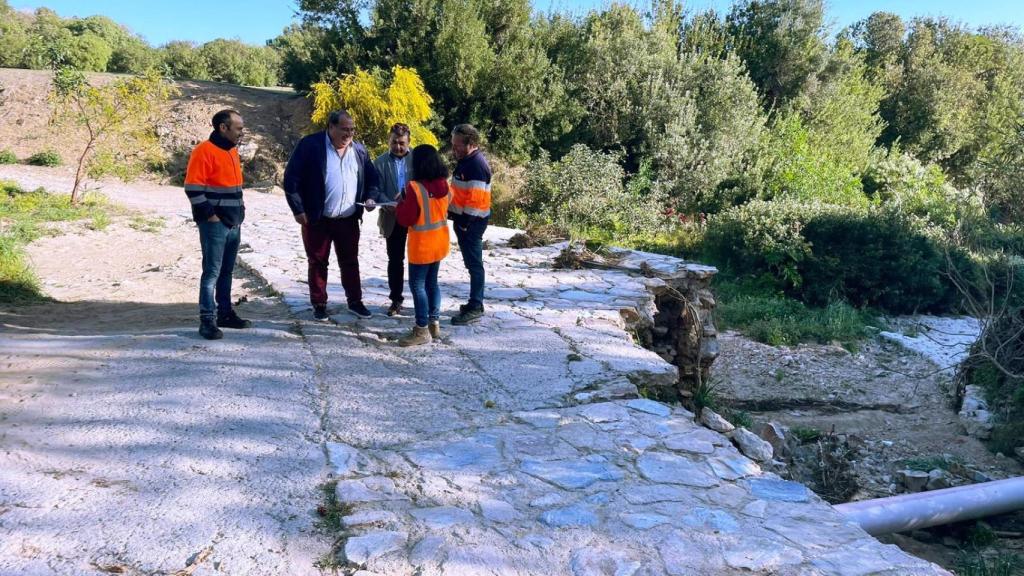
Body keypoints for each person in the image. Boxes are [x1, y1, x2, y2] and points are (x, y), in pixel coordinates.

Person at [283, 110, 382, 321]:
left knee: (350, 261)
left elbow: (372, 179)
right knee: (317, 262)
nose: (349, 134)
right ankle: (319, 304)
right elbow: (291, 178)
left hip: (348, 218)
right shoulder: (311, 146)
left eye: (352, 130)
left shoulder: (359, 151)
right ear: (331, 127)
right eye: (344, 129)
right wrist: (298, 209)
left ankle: (355, 301)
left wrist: (371, 198)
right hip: (317, 218)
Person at [184, 109, 251, 340]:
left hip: (234, 223)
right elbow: (192, 188)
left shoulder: (231, 151)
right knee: (211, 272)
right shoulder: (204, 151)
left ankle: (225, 313)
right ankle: (207, 321)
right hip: (215, 224)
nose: (241, 132)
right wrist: (211, 216)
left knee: (226, 271)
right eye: (238, 128)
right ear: (223, 128)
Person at [395, 144, 451, 346]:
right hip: (439, 242)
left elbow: (405, 218)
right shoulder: (444, 184)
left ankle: (421, 330)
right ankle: (433, 323)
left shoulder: (414, 188)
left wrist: (400, 203)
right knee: (432, 283)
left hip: (422, 245)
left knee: (417, 285)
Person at [448, 123, 492, 325]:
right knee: (471, 263)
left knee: (475, 265)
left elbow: (475, 200)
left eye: (457, 145)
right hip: (463, 221)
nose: (454, 149)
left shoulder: (476, 165)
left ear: (471, 143)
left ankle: (476, 305)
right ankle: (474, 302)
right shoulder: (466, 160)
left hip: (472, 224)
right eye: (453, 144)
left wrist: (464, 223)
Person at [373, 123, 415, 316]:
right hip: (392, 217)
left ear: (409, 142)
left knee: (419, 260)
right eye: (394, 143)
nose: (398, 147)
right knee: (395, 260)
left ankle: (421, 300)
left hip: (416, 218)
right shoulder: (380, 162)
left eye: (402, 143)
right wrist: (385, 201)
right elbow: (376, 189)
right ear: (388, 141)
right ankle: (396, 300)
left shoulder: (417, 159)